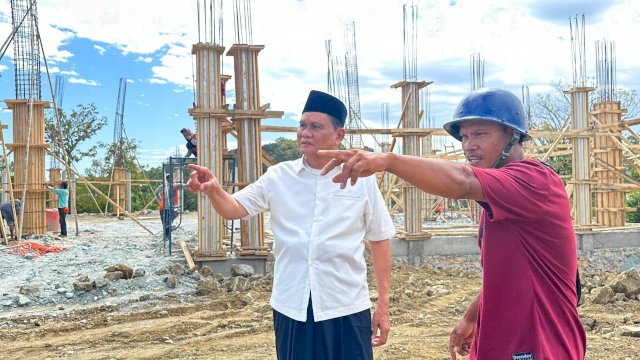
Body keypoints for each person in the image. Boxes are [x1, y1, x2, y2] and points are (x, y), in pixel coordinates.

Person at [318, 88, 586, 360]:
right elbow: (506, 272)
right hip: (501, 341)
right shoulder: (500, 197)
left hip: (541, 343)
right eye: (465, 136)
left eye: (480, 134)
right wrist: (471, 317)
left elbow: (463, 181)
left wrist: (389, 160)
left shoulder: (535, 181)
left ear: (512, 136)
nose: (469, 145)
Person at [186, 90, 395, 359]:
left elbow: (379, 239)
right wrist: (214, 189)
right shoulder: (279, 176)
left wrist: (383, 306)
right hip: (292, 306)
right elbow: (234, 208)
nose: (305, 133)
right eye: (302, 125)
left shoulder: (361, 179)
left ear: (339, 135)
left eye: (315, 127)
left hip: (346, 305)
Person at [155, 174, 186, 242]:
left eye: (171, 178)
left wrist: (190, 185)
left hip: (170, 208)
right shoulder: (163, 186)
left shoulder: (175, 186)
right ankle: (166, 238)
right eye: (169, 178)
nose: (170, 179)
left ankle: (166, 238)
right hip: (163, 208)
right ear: (167, 179)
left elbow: (184, 186)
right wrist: (160, 199)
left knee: (168, 223)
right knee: (165, 224)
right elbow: (156, 192)